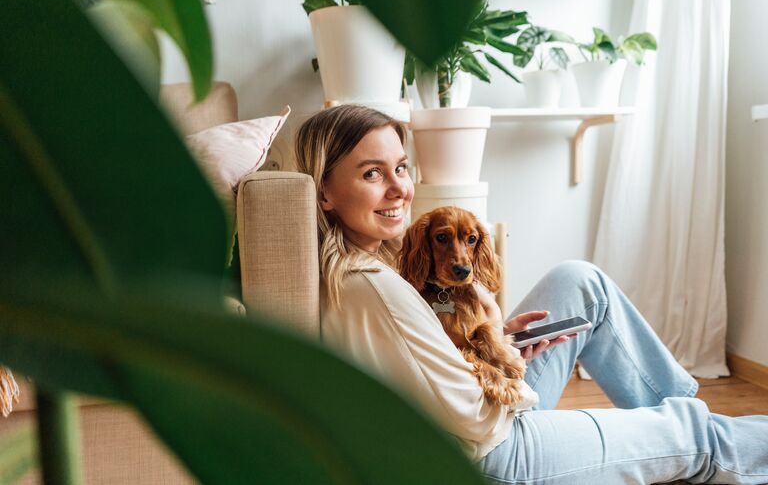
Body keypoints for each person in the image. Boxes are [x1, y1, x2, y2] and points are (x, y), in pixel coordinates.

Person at [294, 104, 768, 484]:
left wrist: (497, 336)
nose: (400, 188)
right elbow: (476, 418)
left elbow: (423, 363)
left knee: (581, 284)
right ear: (324, 193)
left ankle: (673, 428)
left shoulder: (371, 263)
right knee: (692, 434)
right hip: (489, 455)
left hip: (468, 421)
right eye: (372, 174)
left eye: (400, 167)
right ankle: (690, 439)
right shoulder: (374, 289)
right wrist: (510, 363)